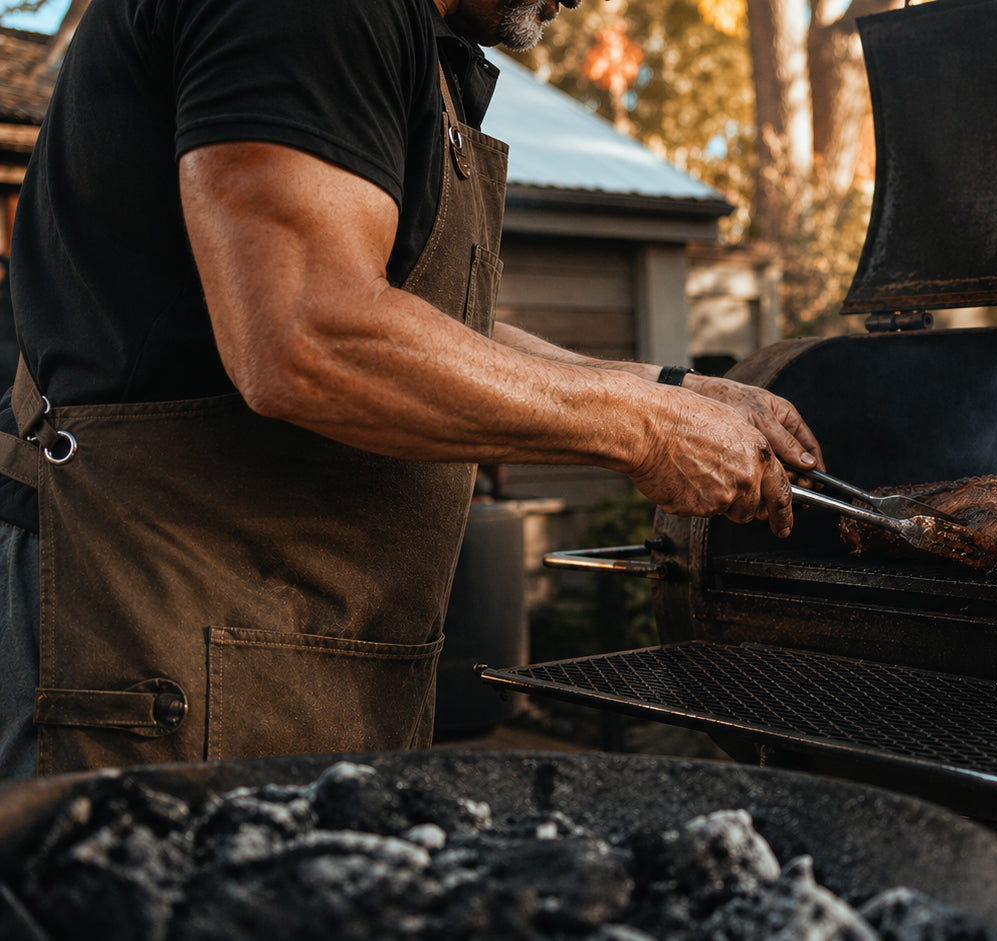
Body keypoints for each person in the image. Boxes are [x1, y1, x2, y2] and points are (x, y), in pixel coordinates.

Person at [0, 0, 823, 779]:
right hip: (143, 636)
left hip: (265, 644)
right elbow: (308, 331)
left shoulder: (412, 41)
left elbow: (415, 325)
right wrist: (646, 431)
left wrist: (673, 388)